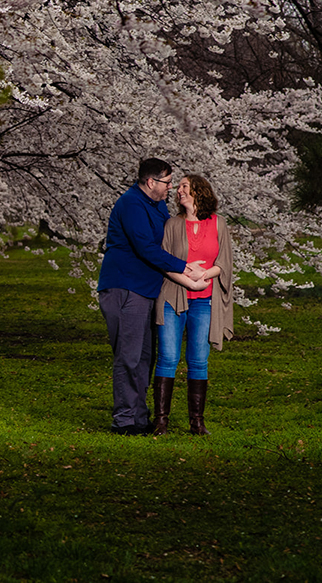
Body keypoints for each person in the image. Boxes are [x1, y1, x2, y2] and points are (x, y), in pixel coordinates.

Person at [97, 159, 205, 435]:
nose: (171, 188)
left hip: (146, 290)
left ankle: (138, 416)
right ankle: (124, 420)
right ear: (150, 182)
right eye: (167, 183)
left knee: (145, 357)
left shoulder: (155, 205)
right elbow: (145, 247)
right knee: (129, 356)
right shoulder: (132, 204)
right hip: (126, 288)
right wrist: (184, 267)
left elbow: (169, 238)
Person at [152, 174, 234, 436]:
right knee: (168, 358)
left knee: (198, 360)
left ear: (199, 191)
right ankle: (161, 422)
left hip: (204, 302)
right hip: (172, 298)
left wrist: (204, 277)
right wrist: (188, 281)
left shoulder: (219, 224)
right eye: (177, 188)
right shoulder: (172, 224)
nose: (178, 191)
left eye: (184, 187)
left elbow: (225, 263)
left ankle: (197, 423)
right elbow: (163, 261)